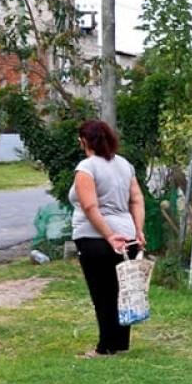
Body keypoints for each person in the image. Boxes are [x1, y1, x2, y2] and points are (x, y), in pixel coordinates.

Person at [68, 119, 145, 358]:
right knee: (122, 291)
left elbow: (90, 206)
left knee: (102, 294)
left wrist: (109, 236)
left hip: (95, 238)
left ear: (84, 141)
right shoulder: (124, 165)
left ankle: (105, 347)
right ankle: (119, 343)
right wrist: (138, 230)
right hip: (128, 236)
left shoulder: (86, 168)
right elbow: (136, 199)